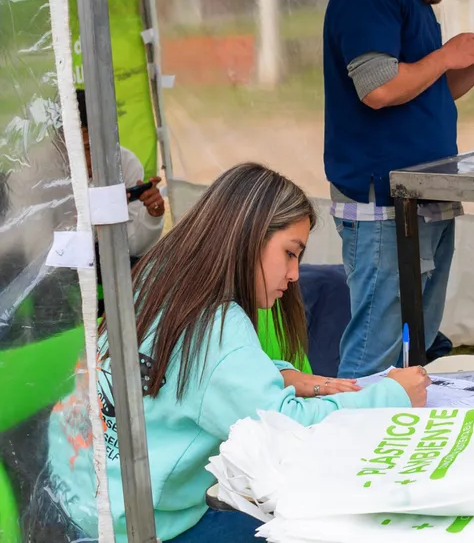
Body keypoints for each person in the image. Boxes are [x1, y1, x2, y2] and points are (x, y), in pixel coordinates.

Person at [47, 163, 431, 542]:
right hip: (126, 528)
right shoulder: (216, 326)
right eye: (290, 253)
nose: (295, 274)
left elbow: (199, 372)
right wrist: (393, 394)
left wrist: (281, 374)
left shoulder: (161, 273)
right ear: (248, 237)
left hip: (74, 495)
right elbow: (284, 429)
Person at [324, 0, 474, 378]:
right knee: (375, 348)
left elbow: (433, 89)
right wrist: (447, 55)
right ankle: (352, 441)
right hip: (382, 203)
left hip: (426, 194)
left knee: (417, 344)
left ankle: (399, 435)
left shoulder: (420, 2)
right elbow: (379, 87)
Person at [77, 89, 164, 259]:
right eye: (84, 148)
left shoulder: (124, 162)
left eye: (97, 147)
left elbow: (132, 247)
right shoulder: (41, 168)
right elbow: (36, 249)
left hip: (107, 263)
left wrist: (152, 217)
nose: (90, 158)